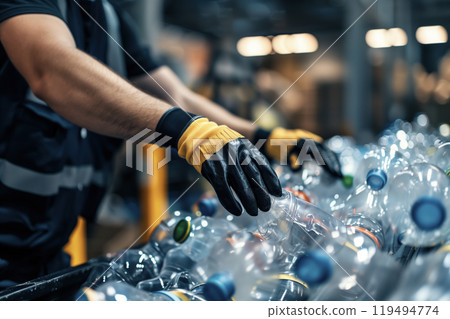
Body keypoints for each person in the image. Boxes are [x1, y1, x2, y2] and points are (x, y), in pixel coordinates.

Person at [0, 0, 341, 288]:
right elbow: (50, 67)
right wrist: (184, 131)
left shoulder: (105, 17)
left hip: (43, 256)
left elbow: (171, 95)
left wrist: (263, 139)